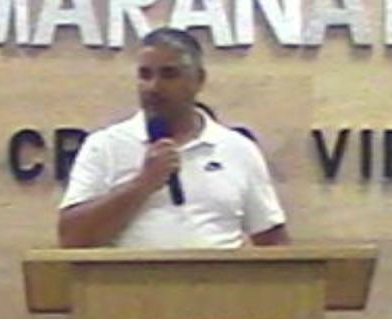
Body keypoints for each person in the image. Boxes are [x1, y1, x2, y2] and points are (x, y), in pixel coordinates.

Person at [57, 27, 289, 248]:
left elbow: (272, 241)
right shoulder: (105, 146)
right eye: (145, 75)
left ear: (198, 80)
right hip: (132, 277)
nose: (153, 87)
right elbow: (71, 238)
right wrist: (143, 184)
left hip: (218, 277)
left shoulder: (238, 149)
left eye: (169, 74)